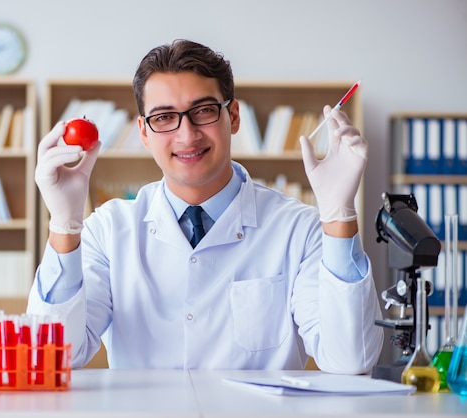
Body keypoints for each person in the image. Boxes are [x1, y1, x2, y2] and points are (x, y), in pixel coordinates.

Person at [28, 39, 384, 373]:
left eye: (203, 111)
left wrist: (339, 213)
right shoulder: (107, 230)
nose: (187, 135)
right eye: (164, 117)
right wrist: (64, 222)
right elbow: (53, 357)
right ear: (143, 132)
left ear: (233, 117)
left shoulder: (300, 229)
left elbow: (349, 360)